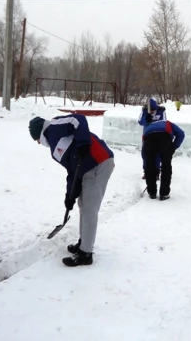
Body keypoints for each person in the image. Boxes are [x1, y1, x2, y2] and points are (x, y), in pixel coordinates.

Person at [29, 114, 115, 267]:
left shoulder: (54, 126)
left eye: (36, 140)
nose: (37, 143)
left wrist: (83, 143)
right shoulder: (54, 150)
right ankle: (83, 243)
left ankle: (85, 254)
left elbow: (78, 119)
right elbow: (72, 171)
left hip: (99, 161)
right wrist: (70, 196)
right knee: (83, 205)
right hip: (87, 167)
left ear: (39, 134)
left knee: (89, 209)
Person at [142, 119, 185, 200]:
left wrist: (151, 167)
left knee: (149, 165)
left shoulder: (149, 127)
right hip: (165, 138)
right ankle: (164, 193)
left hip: (149, 140)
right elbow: (181, 134)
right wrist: (173, 147)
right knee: (166, 166)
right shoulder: (168, 123)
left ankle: (152, 192)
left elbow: (145, 153)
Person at [137, 98, 166, 179]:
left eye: (154, 109)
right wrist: (146, 118)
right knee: (145, 154)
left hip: (158, 136)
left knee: (157, 154)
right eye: (151, 109)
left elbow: (164, 122)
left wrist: (154, 121)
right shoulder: (145, 110)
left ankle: (156, 172)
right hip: (147, 136)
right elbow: (140, 121)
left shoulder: (161, 111)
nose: (152, 111)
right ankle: (147, 171)